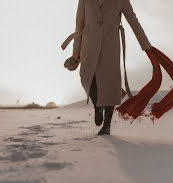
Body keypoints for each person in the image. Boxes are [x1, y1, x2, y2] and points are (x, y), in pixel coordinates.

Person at [64, 0, 152, 135]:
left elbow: (133, 21)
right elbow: (79, 26)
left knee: (110, 85)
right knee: (87, 78)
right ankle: (97, 105)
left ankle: (107, 126)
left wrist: (145, 45)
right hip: (88, 47)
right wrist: (76, 54)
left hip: (110, 47)